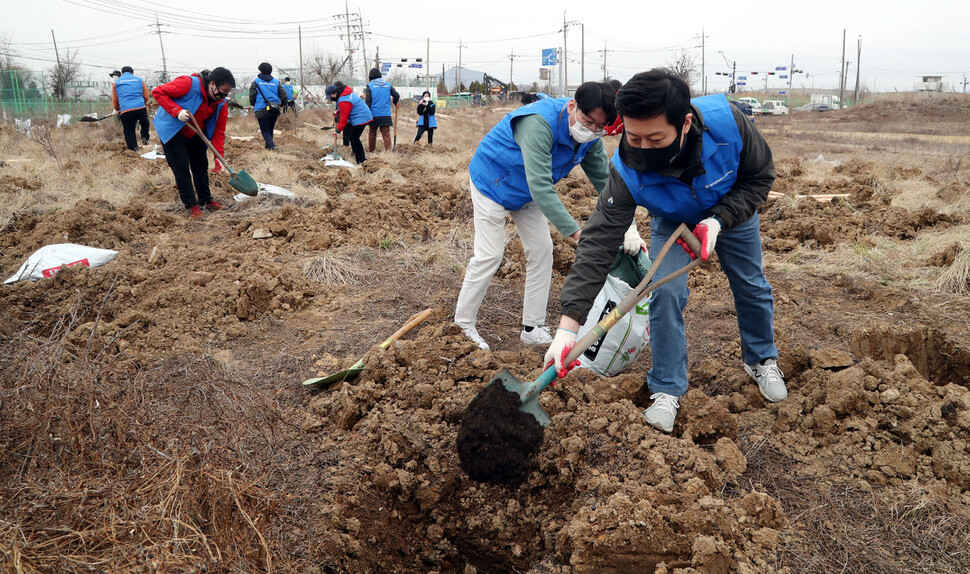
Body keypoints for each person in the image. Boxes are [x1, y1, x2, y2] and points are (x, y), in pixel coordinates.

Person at [543, 68, 787, 434]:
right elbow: (596, 245)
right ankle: (667, 388)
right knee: (665, 294)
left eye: (655, 138)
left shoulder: (729, 124)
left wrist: (719, 221)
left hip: (731, 209)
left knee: (751, 285)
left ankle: (761, 359)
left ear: (685, 123)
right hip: (672, 220)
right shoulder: (626, 170)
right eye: (633, 137)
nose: (642, 149)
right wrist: (567, 329)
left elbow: (760, 177)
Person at [454, 81, 644, 351]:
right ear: (572, 107)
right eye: (587, 121)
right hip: (492, 182)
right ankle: (462, 325)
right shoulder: (538, 124)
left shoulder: (590, 139)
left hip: (526, 193)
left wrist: (630, 227)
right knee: (490, 255)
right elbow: (541, 186)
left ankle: (532, 327)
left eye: (598, 127)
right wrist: (579, 234)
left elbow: (608, 183)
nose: (590, 130)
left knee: (542, 250)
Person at [152, 67, 235, 220]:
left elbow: (218, 132)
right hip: (174, 130)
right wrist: (176, 111)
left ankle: (206, 199)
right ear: (212, 84)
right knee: (181, 167)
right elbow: (157, 92)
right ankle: (191, 206)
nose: (223, 95)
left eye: (227, 92)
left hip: (196, 132)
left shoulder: (221, 103)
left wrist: (218, 157)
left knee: (200, 165)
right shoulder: (189, 84)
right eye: (223, 90)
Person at [325, 81, 373, 164]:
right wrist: (338, 112)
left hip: (362, 117)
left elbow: (344, 119)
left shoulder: (344, 100)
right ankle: (355, 155)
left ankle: (361, 160)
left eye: (331, 96)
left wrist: (337, 131)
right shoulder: (344, 94)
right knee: (352, 137)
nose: (331, 98)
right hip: (361, 115)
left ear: (335, 93)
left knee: (354, 138)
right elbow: (346, 110)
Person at [249, 62, 287, 150]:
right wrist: (281, 104)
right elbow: (284, 95)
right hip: (275, 108)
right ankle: (268, 147)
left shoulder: (256, 82)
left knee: (265, 130)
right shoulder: (276, 82)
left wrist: (253, 104)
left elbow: (252, 96)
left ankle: (272, 147)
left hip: (261, 108)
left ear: (261, 71)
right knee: (270, 129)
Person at [111, 67, 151, 150]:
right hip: (140, 107)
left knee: (129, 130)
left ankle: (133, 150)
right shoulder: (139, 80)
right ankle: (144, 136)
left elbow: (115, 99)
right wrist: (142, 103)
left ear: (122, 73)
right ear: (133, 73)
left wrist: (117, 108)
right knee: (144, 122)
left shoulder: (116, 82)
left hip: (126, 110)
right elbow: (146, 95)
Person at [364, 68, 401, 152]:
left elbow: (368, 101)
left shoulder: (370, 86)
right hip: (385, 114)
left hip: (373, 114)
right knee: (386, 134)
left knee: (372, 133)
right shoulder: (388, 85)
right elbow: (397, 95)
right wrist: (395, 103)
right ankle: (388, 152)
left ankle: (371, 151)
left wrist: (366, 113)